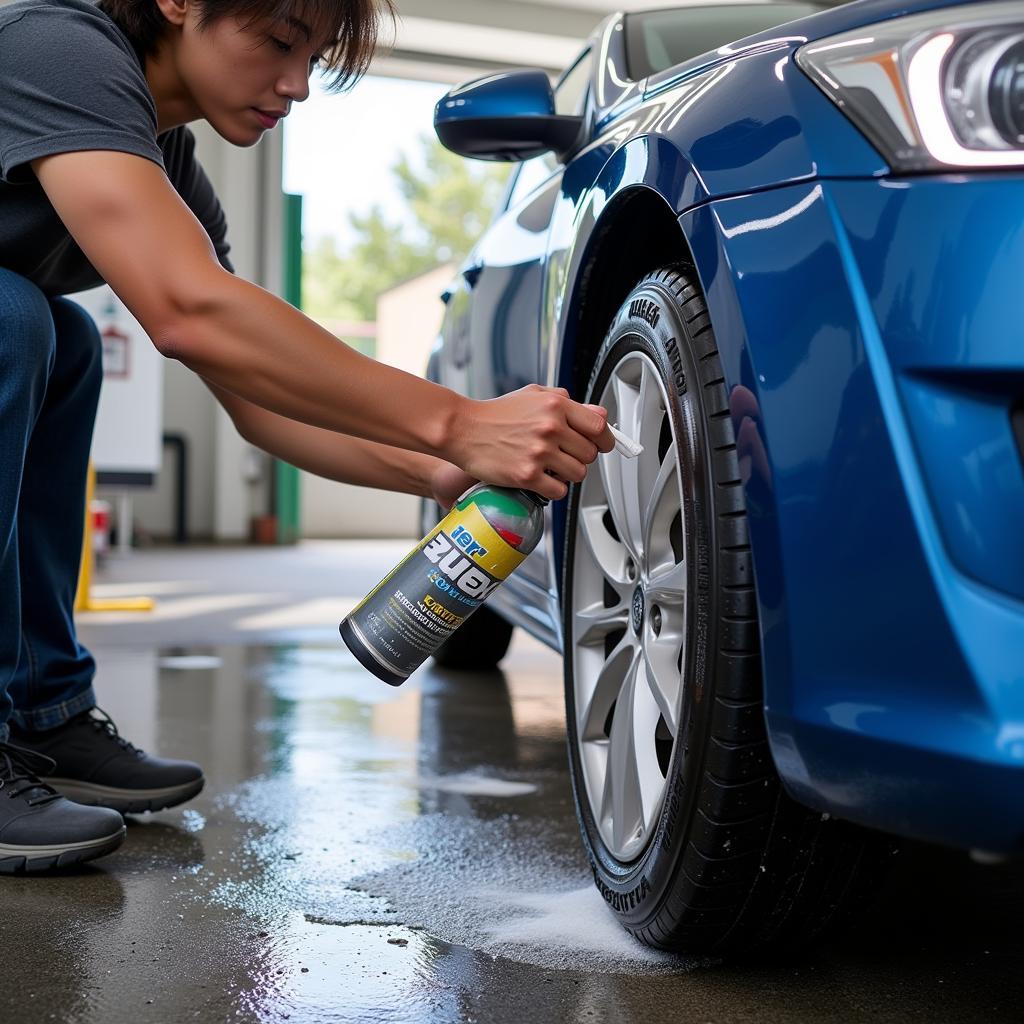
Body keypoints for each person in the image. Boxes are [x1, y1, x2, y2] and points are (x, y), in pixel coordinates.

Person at [0, 0, 614, 872]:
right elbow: (187, 311)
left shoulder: (162, 161)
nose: (296, 86)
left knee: (62, 343)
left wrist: (439, 469)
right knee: (17, 319)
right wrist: (460, 420)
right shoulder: (55, 48)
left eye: (315, 58)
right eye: (280, 43)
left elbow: (260, 401)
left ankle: (40, 715)